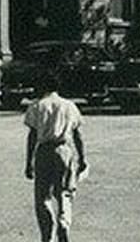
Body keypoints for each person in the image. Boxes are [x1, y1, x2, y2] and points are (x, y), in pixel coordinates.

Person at [23, 71, 88, 242]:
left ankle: (47, 233)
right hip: (64, 150)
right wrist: (82, 158)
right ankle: (63, 222)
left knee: (43, 195)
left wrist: (29, 162)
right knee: (64, 192)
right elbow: (77, 135)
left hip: (44, 151)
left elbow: (32, 136)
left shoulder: (37, 106)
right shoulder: (69, 106)